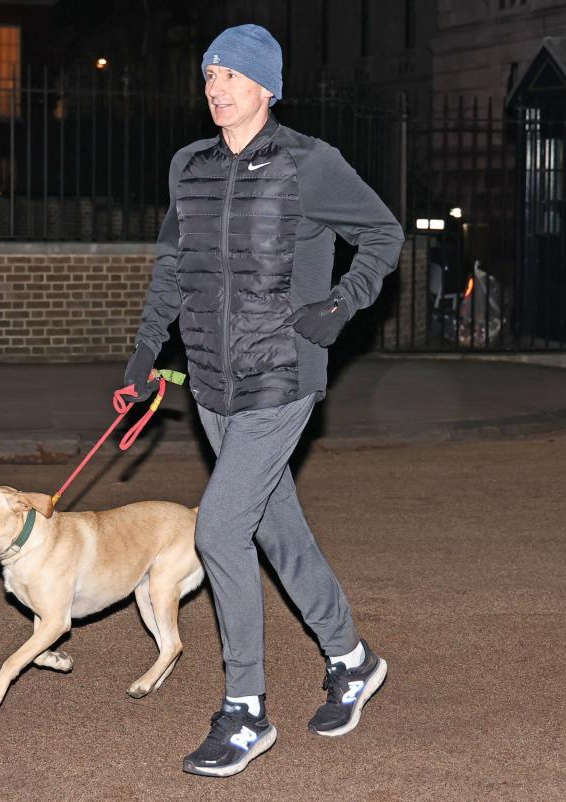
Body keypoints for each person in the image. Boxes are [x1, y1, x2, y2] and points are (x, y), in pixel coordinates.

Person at [123, 23, 404, 778]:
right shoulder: (190, 166)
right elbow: (172, 268)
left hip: (282, 378)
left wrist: (343, 304)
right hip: (213, 386)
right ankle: (351, 658)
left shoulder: (313, 164)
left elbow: (382, 235)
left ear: (267, 88)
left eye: (232, 77)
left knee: (217, 531)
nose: (216, 88)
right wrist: (145, 353)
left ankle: (245, 711)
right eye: (209, 75)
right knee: (275, 530)